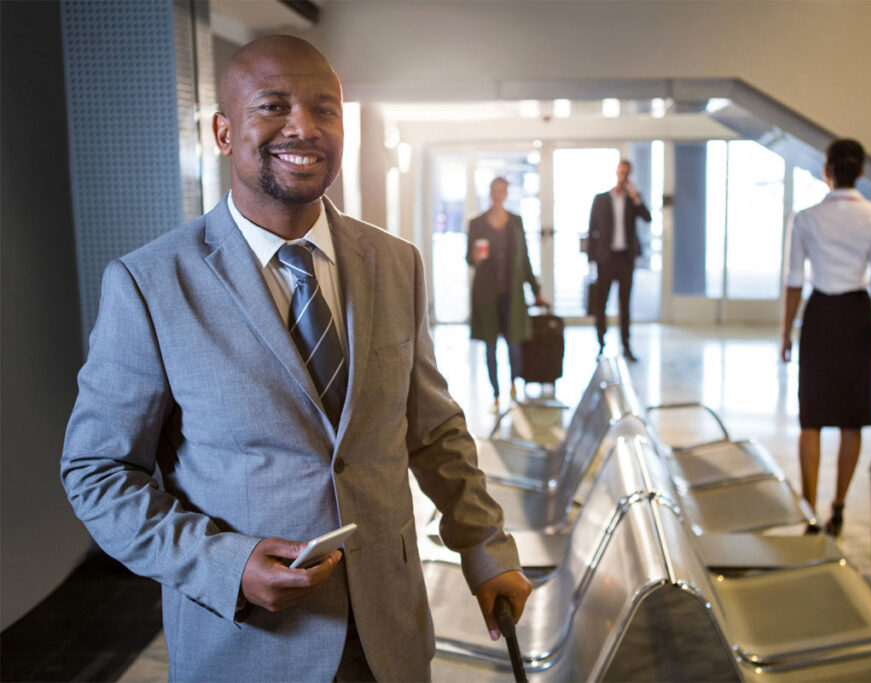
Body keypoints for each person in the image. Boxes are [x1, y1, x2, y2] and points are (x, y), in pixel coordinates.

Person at [60, 35, 531, 682]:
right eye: (274, 106)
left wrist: (483, 544)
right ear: (225, 131)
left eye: (325, 109)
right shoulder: (150, 284)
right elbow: (98, 473)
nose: (303, 128)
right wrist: (226, 563)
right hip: (249, 646)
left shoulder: (395, 263)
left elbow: (434, 429)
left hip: (390, 635)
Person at [780, 138, 871, 536]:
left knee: (812, 418)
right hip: (857, 318)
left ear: (827, 169)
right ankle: (837, 506)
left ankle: (809, 510)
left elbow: (794, 283)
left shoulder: (805, 218)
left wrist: (786, 334)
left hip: (819, 316)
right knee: (852, 419)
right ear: (862, 171)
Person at [466, 177, 548, 411]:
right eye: (494, 190)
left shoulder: (515, 222)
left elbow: (525, 260)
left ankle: (514, 387)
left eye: (502, 190)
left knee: (514, 344)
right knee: (490, 345)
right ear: (490, 193)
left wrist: (536, 291)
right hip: (487, 294)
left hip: (512, 294)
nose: (498, 194)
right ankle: (495, 393)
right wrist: (475, 257)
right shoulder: (477, 223)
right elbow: (469, 259)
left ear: (506, 193)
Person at [586, 159, 651, 362]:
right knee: (601, 304)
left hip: (625, 259)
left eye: (627, 174)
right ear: (617, 173)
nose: (623, 177)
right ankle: (601, 345)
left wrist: (636, 197)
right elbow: (592, 229)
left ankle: (626, 346)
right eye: (621, 173)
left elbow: (647, 218)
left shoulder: (633, 200)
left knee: (625, 305)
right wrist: (591, 259)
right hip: (606, 259)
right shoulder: (601, 199)